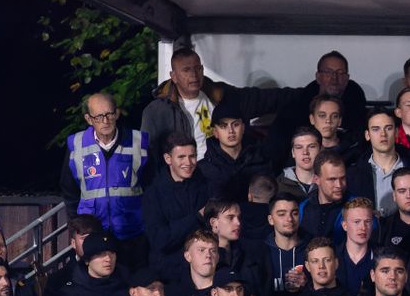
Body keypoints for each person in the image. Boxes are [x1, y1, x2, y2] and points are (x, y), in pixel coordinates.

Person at [142, 47, 295, 162]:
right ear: (174, 76)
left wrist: (307, 92)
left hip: (220, 172)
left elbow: (266, 99)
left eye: (197, 68)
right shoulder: (157, 111)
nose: (194, 75)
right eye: (186, 70)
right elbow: (147, 153)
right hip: (184, 179)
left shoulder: (220, 95)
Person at [61, 92, 150, 262]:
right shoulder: (76, 145)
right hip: (92, 233)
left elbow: (151, 185)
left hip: (131, 233)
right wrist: (77, 224)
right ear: (89, 119)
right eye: (99, 116)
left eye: (109, 114)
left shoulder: (138, 142)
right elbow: (69, 189)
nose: (105, 121)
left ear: (117, 113)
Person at [142, 133, 211, 272]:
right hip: (169, 269)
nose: (188, 163)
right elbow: (159, 239)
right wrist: (197, 217)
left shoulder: (207, 185)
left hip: (204, 265)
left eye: (192, 156)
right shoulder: (153, 194)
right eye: (181, 157)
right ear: (168, 159)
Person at [198, 102, 272, 202]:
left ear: (243, 128)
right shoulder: (204, 169)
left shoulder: (261, 161)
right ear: (215, 132)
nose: (231, 131)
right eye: (223, 126)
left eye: (235, 124)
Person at [276, 126, 321, 200]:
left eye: (311, 146)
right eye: (299, 147)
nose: (305, 152)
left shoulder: (332, 183)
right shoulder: (278, 186)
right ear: (293, 152)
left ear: (320, 150)